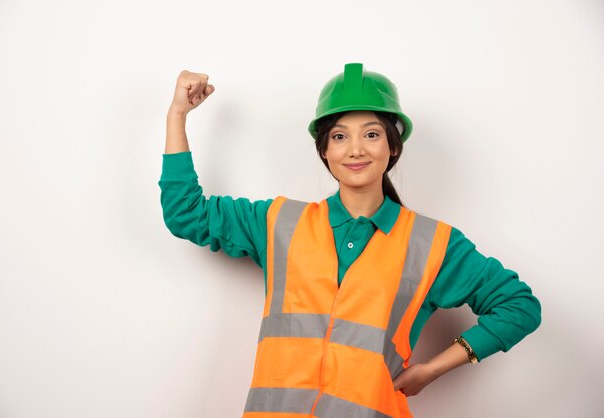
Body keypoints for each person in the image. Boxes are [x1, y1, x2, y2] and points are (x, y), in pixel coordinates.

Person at [158, 63, 542, 418]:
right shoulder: (277, 222)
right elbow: (186, 213)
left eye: (371, 134)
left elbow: (519, 306)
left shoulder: (433, 244)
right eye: (340, 136)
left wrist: (432, 370)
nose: (355, 149)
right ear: (324, 151)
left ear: (393, 146)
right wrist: (177, 116)